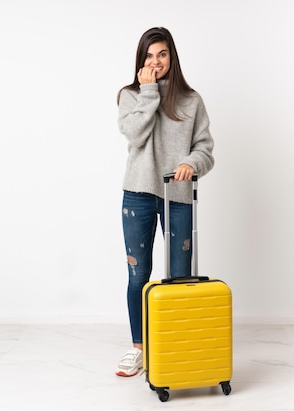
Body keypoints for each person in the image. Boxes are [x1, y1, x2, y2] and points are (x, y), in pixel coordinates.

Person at [115, 27, 215, 377]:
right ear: (141, 61)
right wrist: (149, 91)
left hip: (177, 195)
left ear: (172, 57)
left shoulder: (191, 100)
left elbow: (205, 148)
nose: (155, 62)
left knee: (180, 276)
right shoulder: (130, 96)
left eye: (162, 54)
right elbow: (134, 134)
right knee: (138, 275)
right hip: (138, 195)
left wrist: (192, 162)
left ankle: (177, 344)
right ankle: (138, 349)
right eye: (149, 55)